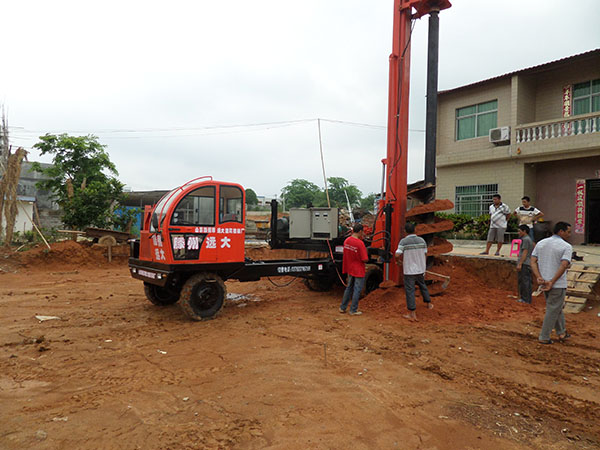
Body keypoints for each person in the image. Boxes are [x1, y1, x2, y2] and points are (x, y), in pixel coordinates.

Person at [530, 222, 573, 345]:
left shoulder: (541, 243)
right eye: (568, 232)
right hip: (557, 284)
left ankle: (562, 332)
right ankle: (544, 336)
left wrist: (539, 277)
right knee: (553, 309)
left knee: (555, 307)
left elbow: (533, 261)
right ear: (561, 231)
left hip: (544, 282)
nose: (569, 235)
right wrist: (552, 281)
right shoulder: (566, 246)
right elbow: (564, 265)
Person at [395, 222, 433, 321]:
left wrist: (398, 261)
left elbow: (397, 254)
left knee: (410, 290)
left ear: (405, 231)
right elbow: (425, 253)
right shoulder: (422, 240)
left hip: (409, 271)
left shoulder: (403, 242)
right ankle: (428, 304)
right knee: (423, 285)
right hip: (421, 269)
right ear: (414, 230)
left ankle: (412, 314)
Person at [339, 223, 368, 316]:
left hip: (350, 267)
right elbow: (365, 259)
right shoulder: (360, 244)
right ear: (360, 231)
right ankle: (353, 310)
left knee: (349, 287)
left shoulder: (347, 241)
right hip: (358, 269)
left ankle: (342, 307)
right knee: (357, 289)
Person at [516, 224, 534, 304]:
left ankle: (525, 299)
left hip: (525, 263)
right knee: (526, 281)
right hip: (526, 263)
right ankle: (526, 298)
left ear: (524, 231)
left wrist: (520, 263)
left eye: (519, 231)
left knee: (525, 281)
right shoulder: (527, 239)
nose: (518, 232)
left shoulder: (526, 240)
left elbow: (525, 252)